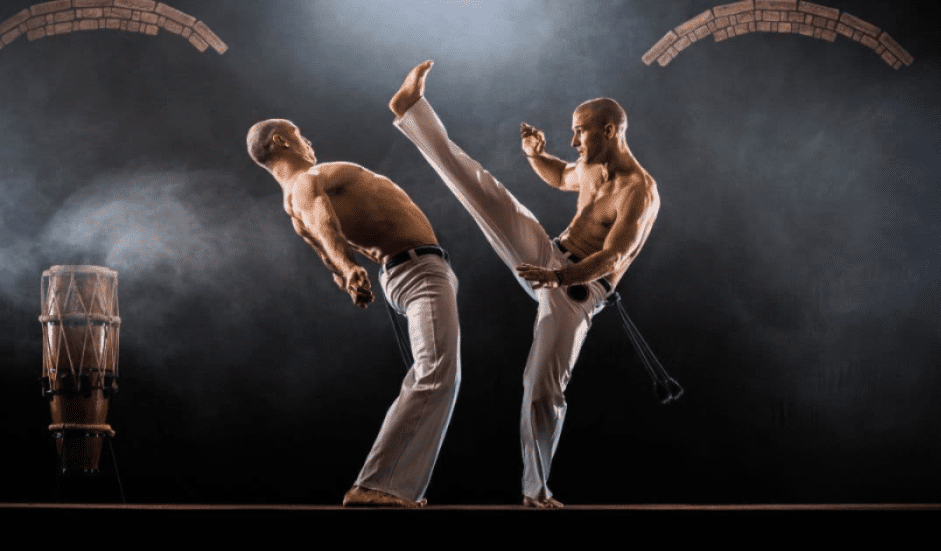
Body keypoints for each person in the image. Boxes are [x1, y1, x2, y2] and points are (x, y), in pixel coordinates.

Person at [389, 61, 659, 508]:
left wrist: (558, 278)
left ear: (609, 130)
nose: (573, 142)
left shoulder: (639, 191)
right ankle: (412, 110)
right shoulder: (591, 167)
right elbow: (560, 176)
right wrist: (536, 155)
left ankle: (536, 492)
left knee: (541, 389)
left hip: (577, 292)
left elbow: (614, 256)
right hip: (549, 259)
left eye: (580, 132)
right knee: (485, 190)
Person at [247, 118, 461, 508]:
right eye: (301, 135)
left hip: (410, 271)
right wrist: (348, 270)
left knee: (436, 373)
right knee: (436, 373)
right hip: (415, 270)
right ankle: (377, 486)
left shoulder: (295, 203)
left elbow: (327, 250)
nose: (309, 141)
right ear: (281, 141)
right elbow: (322, 219)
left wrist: (346, 275)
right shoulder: (305, 183)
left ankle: (395, 487)